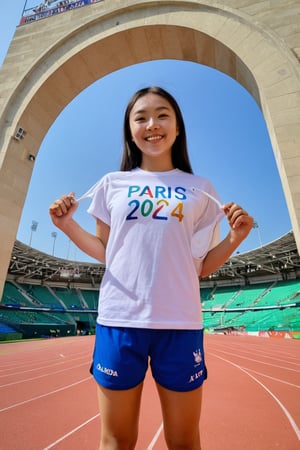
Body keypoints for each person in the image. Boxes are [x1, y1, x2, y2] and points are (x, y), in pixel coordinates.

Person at [49, 86, 253, 449]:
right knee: (115, 440)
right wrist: (67, 226)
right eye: (140, 117)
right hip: (119, 321)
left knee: (184, 442)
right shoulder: (112, 184)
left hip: (179, 324)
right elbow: (107, 251)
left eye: (162, 115)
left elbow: (201, 266)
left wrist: (236, 237)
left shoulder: (200, 190)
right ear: (130, 131)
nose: (152, 124)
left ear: (177, 128)